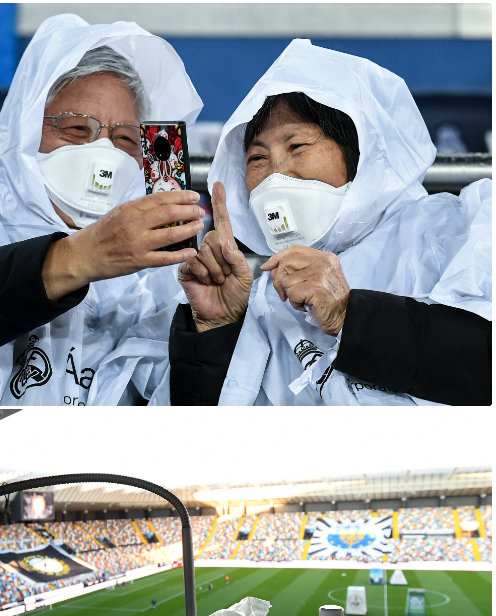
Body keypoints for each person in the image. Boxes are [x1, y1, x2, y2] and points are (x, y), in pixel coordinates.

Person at [162, 39, 491, 405]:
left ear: (362, 150)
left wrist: (351, 315)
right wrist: (215, 332)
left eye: (297, 147)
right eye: (257, 158)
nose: (276, 176)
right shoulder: (256, 295)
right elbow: (201, 441)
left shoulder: (458, 232)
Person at [0, 15, 204, 405]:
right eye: (77, 130)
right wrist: (76, 257)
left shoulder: (159, 278)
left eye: (125, 139)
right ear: (23, 130)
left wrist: (213, 328)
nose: (103, 153)